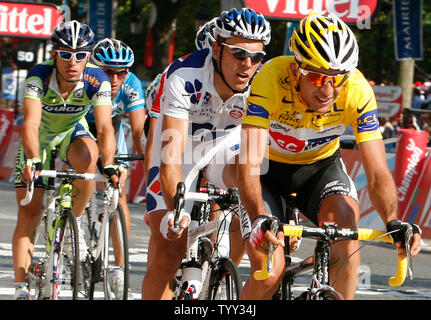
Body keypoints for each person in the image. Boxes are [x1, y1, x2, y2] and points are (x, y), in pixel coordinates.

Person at [237, 12, 422, 300]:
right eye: (317, 76)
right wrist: (259, 216)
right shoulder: (271, 78)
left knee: (346, 239)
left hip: (320, 170)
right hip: (266, 173)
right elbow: (248, 163)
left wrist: (392, 222)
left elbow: (376, 173)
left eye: (337, 79)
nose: (328, 90)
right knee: (269, 272)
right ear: (297, 69)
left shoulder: (357, 90)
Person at [141, 8, 271, 300]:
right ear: (216, 48)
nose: (248, 64)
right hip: (181, 144)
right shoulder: (185, 75)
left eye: (257, 57)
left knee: (250, 176)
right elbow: (171, 158)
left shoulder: (264, 82)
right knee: (168, 253)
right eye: (238, 54)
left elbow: (254, 156)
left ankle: (224, 275)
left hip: (225, 142)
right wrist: (176, 211)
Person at [12, 20, 120, 300]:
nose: (73, 62)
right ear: (53, 55)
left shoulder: (98, 80)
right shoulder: (39, 76)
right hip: (40, 139)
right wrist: (33, 160)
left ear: (88, 57)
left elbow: (105, 127)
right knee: (30, 215)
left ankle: (77, 226)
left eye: (80, 55)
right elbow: (31, 124)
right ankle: (22, 286)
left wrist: (108, 163)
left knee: (90, 154)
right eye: (65, 54)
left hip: (70, 133)